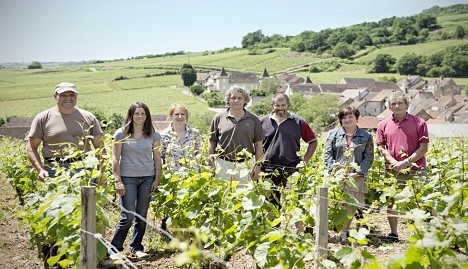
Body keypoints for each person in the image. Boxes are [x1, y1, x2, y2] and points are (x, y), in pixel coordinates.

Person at [109, 102, 162, 259]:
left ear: (147, 116)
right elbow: (115, 158)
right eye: (136, 113)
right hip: (127, 178)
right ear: (131, 115)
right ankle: (114, 249)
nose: (140, 116)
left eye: (143, 114)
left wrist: (157, 179)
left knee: (141, 216)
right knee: (128, 216)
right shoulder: (121, 134)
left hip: (147, 178)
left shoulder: (154, 134)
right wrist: (117, 180)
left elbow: (158, 159)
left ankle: (136, 247)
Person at [260, 93, 318, 231]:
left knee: (295, 200)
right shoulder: (262, 122)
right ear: (272, 106)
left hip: (292, 168)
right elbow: (256, 144)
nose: (280, 108)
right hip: (268, 168)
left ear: (288, 105)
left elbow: (313, 142)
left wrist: (304, 161)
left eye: (283, 105)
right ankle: (274, 232)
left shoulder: (299, 122)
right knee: (271, 201)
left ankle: (300, 232)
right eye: (277, 105)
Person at [376, 91, 429, 243]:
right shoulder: (383, 124)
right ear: (389, 106)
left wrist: (405, 163)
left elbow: (423, 148)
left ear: (407, 104)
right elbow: (381, 147)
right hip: (393, 170)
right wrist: (393, 162)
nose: (397, 106)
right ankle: (393, 233)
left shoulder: (419, 123)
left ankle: (422, 234)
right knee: (393, 201)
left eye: (400, 103)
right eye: (393, 104)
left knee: (421, 200)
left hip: (416, 169)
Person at [26, 82, 103, 180]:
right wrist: (40, 169)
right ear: (55, 96)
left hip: (84, 168)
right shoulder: (42, 118)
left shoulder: (88, 117)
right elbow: (31, 147)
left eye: (72, 95)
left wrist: (101, 174)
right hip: (54, 170)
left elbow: (100, 148)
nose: (68, 98)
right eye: (63, 95)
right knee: (57, 195)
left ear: (76, 97)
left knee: (85, 196)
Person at [323, 106, 374, 243]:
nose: (347, 119)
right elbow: (327, 154)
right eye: (344, 117)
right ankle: (327, 231)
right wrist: (334, 170)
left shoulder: (366, 136)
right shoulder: (333, 134)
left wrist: (358, 173)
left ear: (357, 119)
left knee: (350, 205)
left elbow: (368, 158)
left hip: (355, 175)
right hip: (335, 173)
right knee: (332, 202)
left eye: (350, 116)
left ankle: (344, 232)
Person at [208, 85, 264, 185]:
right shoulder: (218, 118)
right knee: (222, 196)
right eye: (233, 98)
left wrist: (257, 165)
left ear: (245, 100)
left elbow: (258, 144)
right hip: (223, 164)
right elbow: (212, 142)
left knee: (244, 197)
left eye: (240, 98)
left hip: (245, 165)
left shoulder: (253, 119)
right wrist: (211, 162)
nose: (236, 100)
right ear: (228, 100)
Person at [160, 104, 201, 173]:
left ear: (186, 116)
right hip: (172, 176)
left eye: (183, 114)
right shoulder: (163, 135)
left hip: (192, 175)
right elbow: (161, 157)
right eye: (176, 114)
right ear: (171, 116)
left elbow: (198, 154)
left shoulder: (195, 133)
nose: (180, 116)